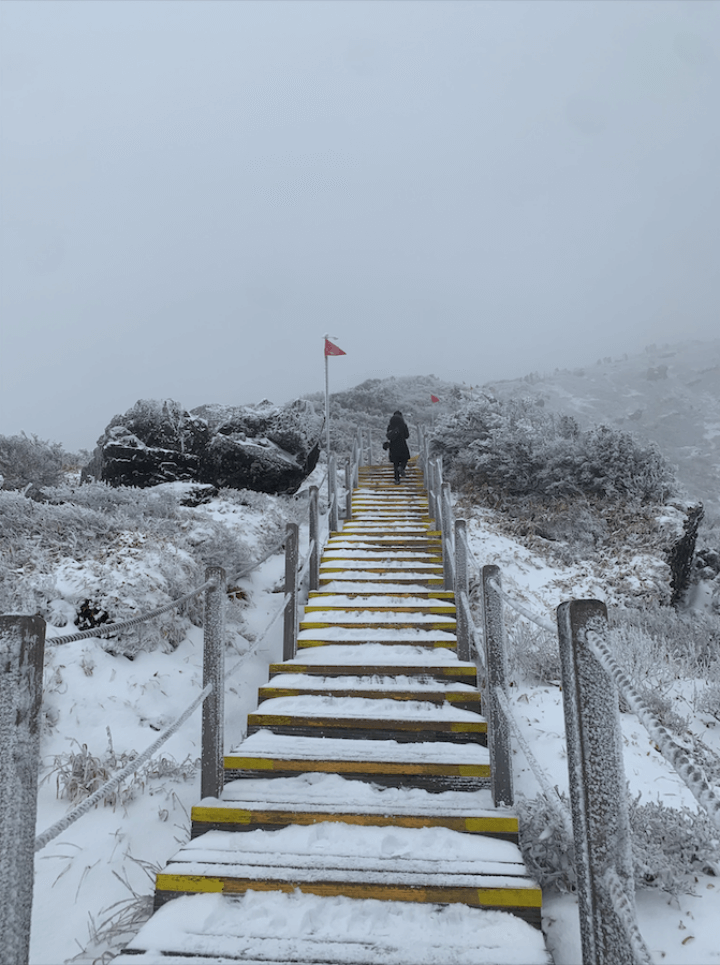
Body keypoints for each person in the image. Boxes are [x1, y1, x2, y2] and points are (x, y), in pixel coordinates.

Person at [384, 410, 411, 483]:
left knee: (395, 463)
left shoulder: (390, 426)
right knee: (405, 459)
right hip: (402, 445)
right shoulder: (403, 425)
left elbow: (388, 436)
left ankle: (397, 479)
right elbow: (407, 436)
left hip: (393, 446)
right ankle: (401, 467)